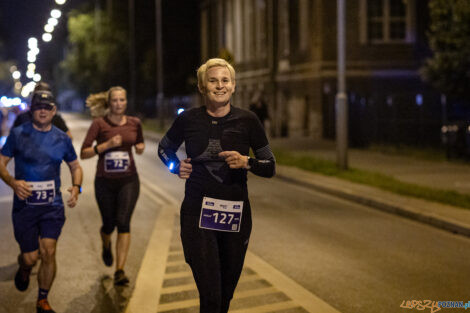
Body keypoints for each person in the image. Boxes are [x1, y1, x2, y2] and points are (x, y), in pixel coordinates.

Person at [158, 58, 275, 313]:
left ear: (233, 86)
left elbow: (270, 165)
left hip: (236, 215)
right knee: (211, 295)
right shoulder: (188, 120)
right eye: (212, 81)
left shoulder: (248, 120)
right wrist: (176, 167)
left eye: (225, 80)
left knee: (224, 298)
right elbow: (164, 148)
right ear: (202, 87)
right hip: (197, 214)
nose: (219, 85)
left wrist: (247, 162)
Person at [0, 90, 83, 313]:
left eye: (47, 107)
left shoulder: (62, 138)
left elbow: (75, 166)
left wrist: (76, 187)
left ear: (54, 110)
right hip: (24, 208)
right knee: (30, 257)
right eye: (38, 107)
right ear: (31, 109)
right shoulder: (18, 134)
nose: (43, 111)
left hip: (52, 206)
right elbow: (1, 162)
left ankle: (42, 300)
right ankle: (24, 267)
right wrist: (12, 182)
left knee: (49, 251)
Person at [80, 86, 145, 285]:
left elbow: (140, 143)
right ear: (109, 103)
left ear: (126, 102)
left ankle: (120, 270)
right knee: (109, 224)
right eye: (115, 100)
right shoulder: (99, 124)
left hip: (129, 180)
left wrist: (140, 147)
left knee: (123, 222)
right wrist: (106, 146)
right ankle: (106, 244)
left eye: (122, 100)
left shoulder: (135, 123)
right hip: (105, 182)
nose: (119, 104)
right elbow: (84, 153)